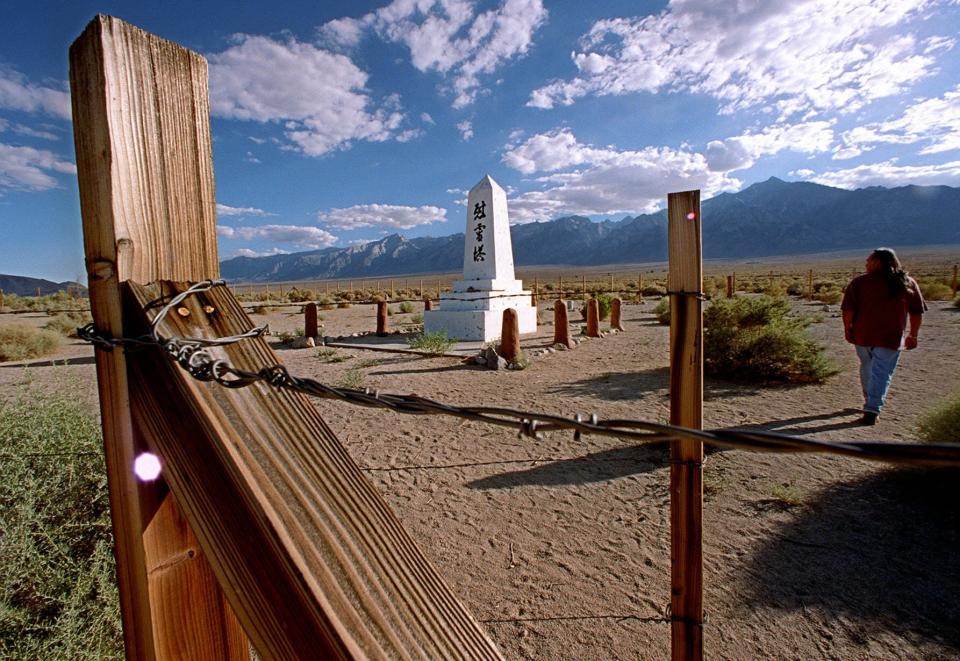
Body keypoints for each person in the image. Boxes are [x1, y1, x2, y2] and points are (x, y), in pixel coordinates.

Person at [841, 248, 926, 425]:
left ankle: (870, 404)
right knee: (881, 371)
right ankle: (872, 408)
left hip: (863, 334)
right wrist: (913, 334)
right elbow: (916, 312)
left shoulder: (861, 282)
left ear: (877, 262)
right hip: (891, 337)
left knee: (867, 367)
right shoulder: (907, 282)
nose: (866, 263)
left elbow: (848, 309)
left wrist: (848, 329)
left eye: (869, 260)